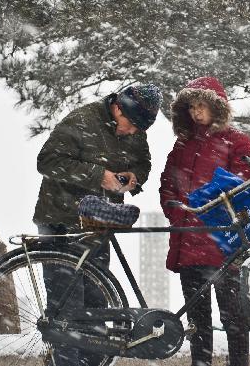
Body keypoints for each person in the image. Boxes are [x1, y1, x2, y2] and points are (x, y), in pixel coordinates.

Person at [33, 84, 161, 366]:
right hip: (61, 219)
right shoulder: (81, 121)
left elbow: (144, 163)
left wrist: (133, 176)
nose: (133, 133)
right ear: (118, 108)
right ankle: (64, 362)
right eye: (131, 125)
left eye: (141, 129)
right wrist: (97, 176)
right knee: (67, 304)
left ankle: (91, 363)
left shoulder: (136, 127)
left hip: (98, 221)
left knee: (96, 301)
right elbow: (47, 161)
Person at [159, 76, 250, 366]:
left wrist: (208, 207)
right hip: (189, 242)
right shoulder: (183, 144)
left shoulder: (237, 140)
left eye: (201, 106)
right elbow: (168, 182)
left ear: (217, 107)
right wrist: (176, 211)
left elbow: (245, 181)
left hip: (222, 241)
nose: (196, 112)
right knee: (197, 322)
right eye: (191, 107)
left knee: (233, 318)